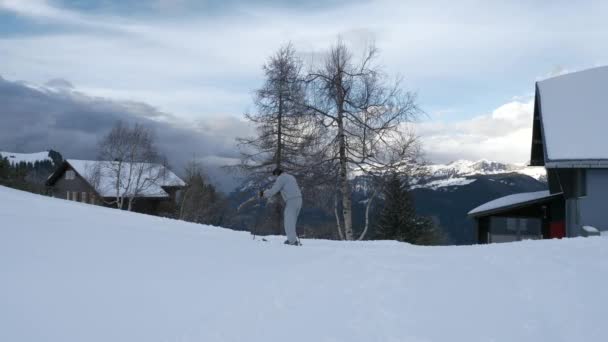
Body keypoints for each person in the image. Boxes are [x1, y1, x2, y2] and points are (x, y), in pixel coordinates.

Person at [260, 168, 302, 245]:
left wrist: (264, 194)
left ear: (277, 174)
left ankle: (292, 241)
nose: (275, 178)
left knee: (288, 222)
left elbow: (274, 190)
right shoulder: (291, 177)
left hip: (291, 200)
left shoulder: (281, 178)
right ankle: (292, 239)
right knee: (292, 221)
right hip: (299, 199)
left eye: (274, 175)